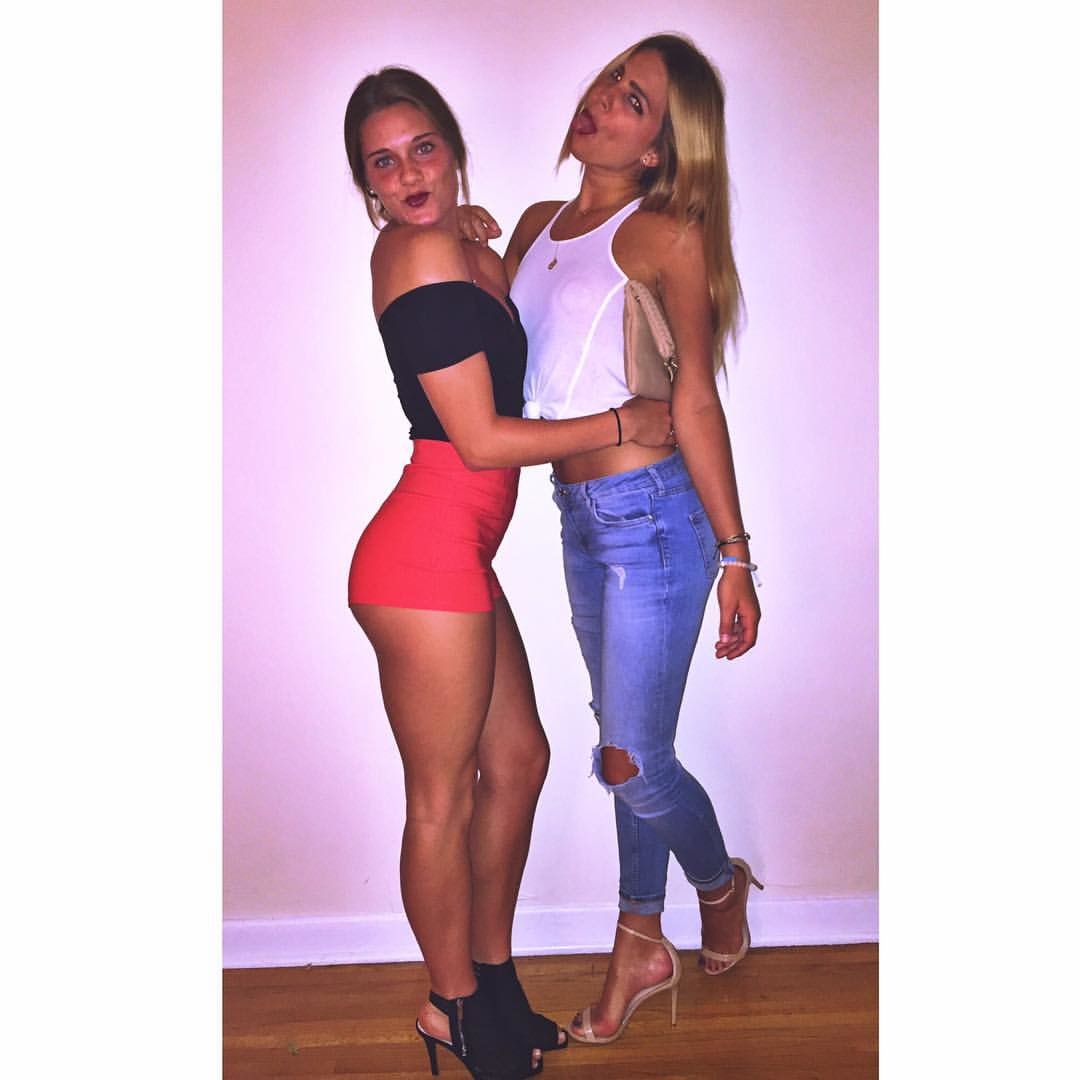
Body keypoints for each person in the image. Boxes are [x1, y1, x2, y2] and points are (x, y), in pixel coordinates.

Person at [342, 67, 674, 1078]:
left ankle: (491, 981)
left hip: (456, 554)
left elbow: (500, 304)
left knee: (519, 759)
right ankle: (450, 1006)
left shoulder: (460, 246)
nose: (409, 174)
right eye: (383, 163)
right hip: (422, 556)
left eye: (423, 149)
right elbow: (482, 439)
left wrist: (473, 232)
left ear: (453, 147)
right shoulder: (413, 250)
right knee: (440, 798)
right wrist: (621, 423)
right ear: (367, 184)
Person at [462, 33, 764, 1045]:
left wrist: (736, 554)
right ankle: (641, 938)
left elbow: (697, 402)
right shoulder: (537, 224)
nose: (603, 98)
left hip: (656, 523)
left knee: (632, 759)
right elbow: (503, 353)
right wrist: (464, 240)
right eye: (610, 78)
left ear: (659, 148)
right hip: (576, 516)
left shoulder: (666, 235)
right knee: (625, 744)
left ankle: (716, 887)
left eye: (634, 100)